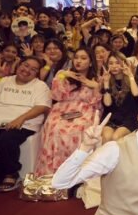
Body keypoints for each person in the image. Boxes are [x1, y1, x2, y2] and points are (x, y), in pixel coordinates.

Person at [0, 56, 51, 193]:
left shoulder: (40, 86)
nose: (27, 70)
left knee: (6, 140)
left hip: (24, 122)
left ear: (37, 73)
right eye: (25, 65)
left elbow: (42, 107)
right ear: (18, 65)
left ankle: (11, 173)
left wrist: (20, 119)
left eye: (33, 69)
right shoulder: (3, 80)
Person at [34, 48, 102, 177]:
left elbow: (97, 104)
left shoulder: (96, 78)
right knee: (54, 127)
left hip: (85, 110)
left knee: (78, 129)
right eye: (76, 58)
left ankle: (74, 174)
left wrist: (95, 86)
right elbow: (56, 95)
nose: (78, 61)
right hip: (62, 108)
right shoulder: (63, 74)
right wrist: (63, 76)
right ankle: (51, 173)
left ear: (90, 62)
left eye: (83, 58)